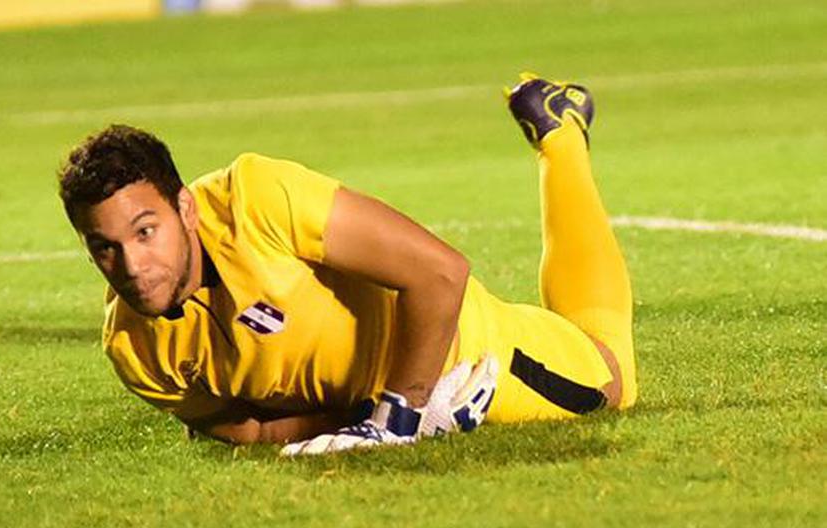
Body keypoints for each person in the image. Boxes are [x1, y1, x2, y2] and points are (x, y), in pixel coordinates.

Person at [56, 73, 637, 456]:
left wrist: (401, 414)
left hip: (469, 354)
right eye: (103, 247)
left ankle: (559, 134)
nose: (131, 264)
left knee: (613, 379)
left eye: (145, 232)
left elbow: (440, 272)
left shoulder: (257, 199)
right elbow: (248, 430)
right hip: (390, 404)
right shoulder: (134, 349)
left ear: (184, 206)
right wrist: (363, 420)